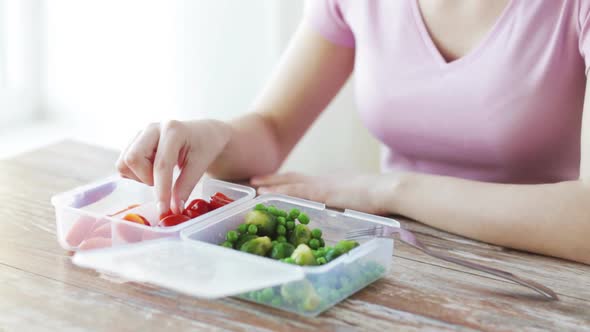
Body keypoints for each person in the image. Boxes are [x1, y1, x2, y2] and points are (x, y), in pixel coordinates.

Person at [117, 0, 590, 264]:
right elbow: (271, 131)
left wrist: (388, 190)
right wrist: (214, 134)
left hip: (542, 272)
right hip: (398, 259)